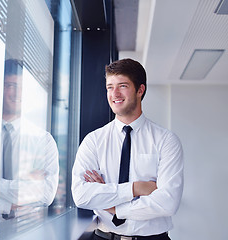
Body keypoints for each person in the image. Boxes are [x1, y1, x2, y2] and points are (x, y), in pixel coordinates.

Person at [71, 58, 183, 240]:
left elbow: (167, 202)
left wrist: (113, 206)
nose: (114, 93)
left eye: (122, 86)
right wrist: (135, 188)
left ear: (140, 90)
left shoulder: (166, 141)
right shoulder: (93, 141)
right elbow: (81, 195)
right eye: (109, 87)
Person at [0, 59, 59, 237]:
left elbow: (46, 195)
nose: (17, 93)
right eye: (10, 85)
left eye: (22, 86)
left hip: (28, 233)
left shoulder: (42, 140)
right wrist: (25, 184)